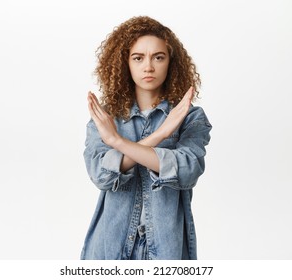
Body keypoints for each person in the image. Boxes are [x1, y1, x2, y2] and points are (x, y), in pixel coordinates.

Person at [81, 16, 212, 260]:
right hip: (108, 250)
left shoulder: (189, 117)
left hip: (167, 252)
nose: (148, 66)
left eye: (158, 57)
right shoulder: (106, 118)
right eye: (138, 57)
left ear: (171, 62)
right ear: (125, 63)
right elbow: (101, 175)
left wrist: (118, 143)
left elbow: (187, 170)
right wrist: (161, 135)